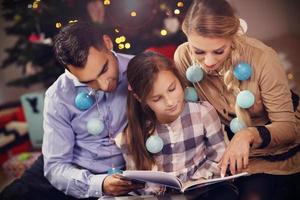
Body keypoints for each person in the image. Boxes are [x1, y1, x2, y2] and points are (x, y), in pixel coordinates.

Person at [0, 22, 144, 200]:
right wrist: (99, 184)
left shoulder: (141, 69)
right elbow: (56, 167)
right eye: (88, 81)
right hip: (70, 169)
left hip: (124, 173)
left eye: (104, 69)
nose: (103, 85)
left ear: (107, 43)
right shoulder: (58, 95)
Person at [173, 0, 300, 199]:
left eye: (218, 51)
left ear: (232, 36)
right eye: (198, 51)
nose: (208, 62)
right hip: (237, 152)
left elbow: (288, 128)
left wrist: (247, 135)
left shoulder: (262, 57)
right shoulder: (183, 56)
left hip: (283, 146)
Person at [115, 51, 238, 199]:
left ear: (178, 79)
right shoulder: (132, 134)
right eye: (157, 98)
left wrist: (197, 180)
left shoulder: (202, 113)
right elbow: (138, 184)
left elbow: (219, 156)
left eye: (172, 89)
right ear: (140, 98)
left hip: (203, 191)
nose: (170, 102)